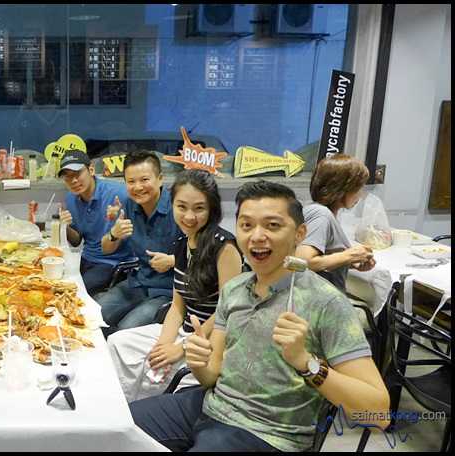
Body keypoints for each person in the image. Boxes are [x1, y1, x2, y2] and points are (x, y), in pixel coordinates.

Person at [129, 180, 390, 452]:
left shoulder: (326, 303)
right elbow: (212, 375)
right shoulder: (234, 289)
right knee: (116, 428)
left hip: (266, 433)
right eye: (246, 225)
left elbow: (378, 415)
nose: (257, 236)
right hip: (207, 406)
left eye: (273, 225)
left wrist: (306, 362)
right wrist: (198, 361)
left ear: (300, 233)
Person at [107, 169, 245, 402]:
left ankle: (138, 414)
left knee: (153, 377)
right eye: (182, 207)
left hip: (209, 340)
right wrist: (164, 343)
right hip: (185, 331)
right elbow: (177, 307)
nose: (189, 217)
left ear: (211, 209)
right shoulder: (183, 243)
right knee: (117, 343)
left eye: (199, 208)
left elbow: (226, 312)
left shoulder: (224, 247)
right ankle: (122, 407)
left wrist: (179, 349)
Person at [98, 149, 182, 332]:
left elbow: (204, 257)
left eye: (144, 180)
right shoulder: (129, 205)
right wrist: (114, 234)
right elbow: (106, 248)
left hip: (169, 292)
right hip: (139, 282)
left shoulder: (179, 208)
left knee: (124, 331)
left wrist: (173, 261)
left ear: (160, 179)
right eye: (131, 182)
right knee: (94, 317)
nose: (138, 187)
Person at [56, 149, 136, 297]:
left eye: (77, 174)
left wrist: (122, 214)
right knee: (53, 282)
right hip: (86, 258)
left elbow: (141, 231)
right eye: (68, 177)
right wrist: (64, 227)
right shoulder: (71, 197)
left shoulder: (119, 194)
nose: (73, 181)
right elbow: (76, 241)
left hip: (113, 262)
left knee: (73, 293)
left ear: (91, 169)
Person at [295, 154, 376, 293]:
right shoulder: (321, 215)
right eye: (357, 188)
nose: (360, 194)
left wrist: (350, 262)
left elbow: (323, 258)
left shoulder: (316, 211)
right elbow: (302, 262)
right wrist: (349, 255)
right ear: (342, 189)